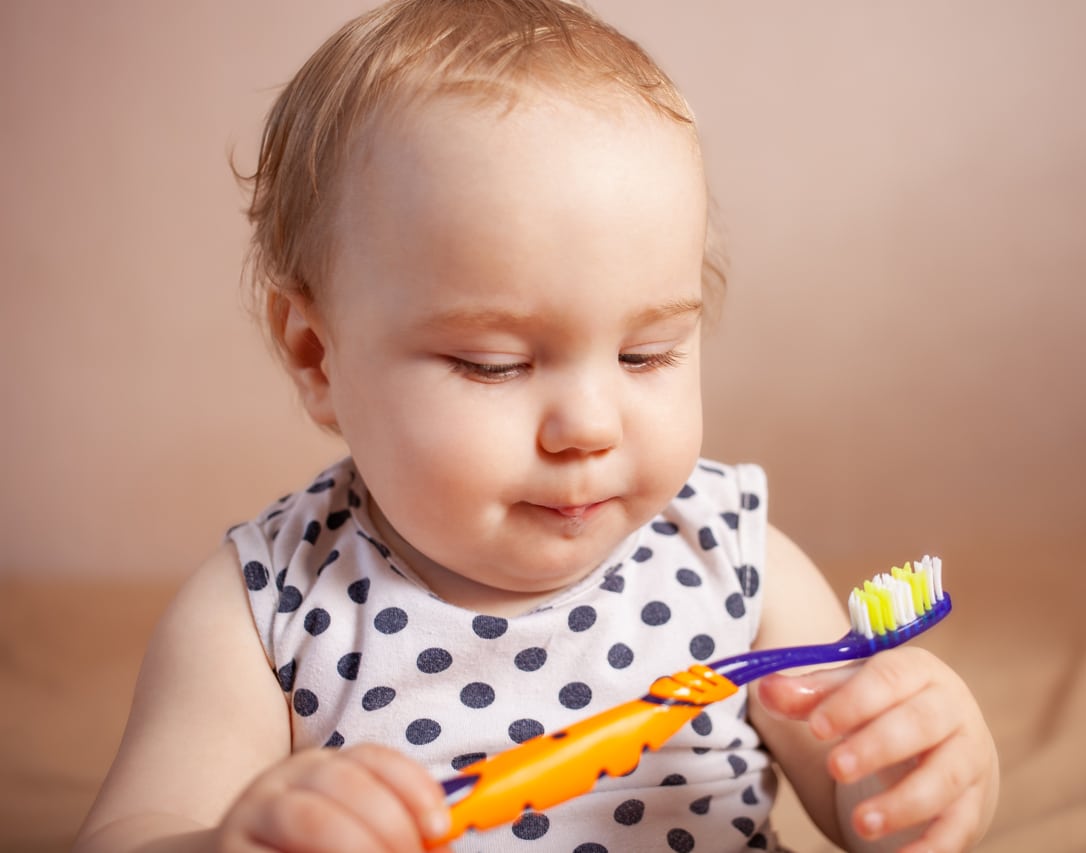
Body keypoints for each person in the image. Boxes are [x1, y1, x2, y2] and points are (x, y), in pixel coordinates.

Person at [75, 1, 999, 851]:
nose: (589, 426)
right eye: (495, 364)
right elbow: (130, 831)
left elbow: (865, 801)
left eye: (647, 355)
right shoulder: (268, 608)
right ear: (319, 356)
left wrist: (924, 773)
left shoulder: (730, 559)